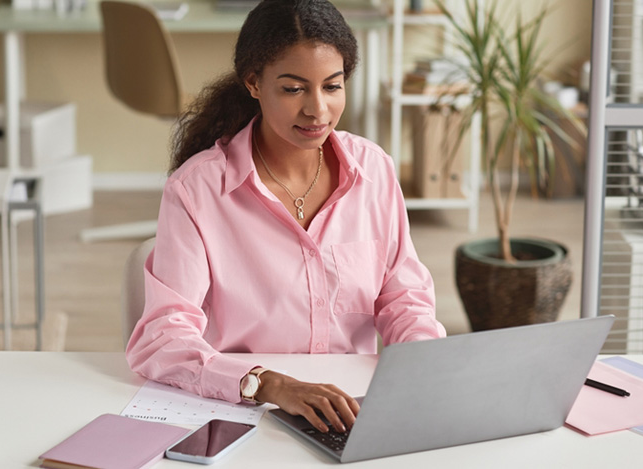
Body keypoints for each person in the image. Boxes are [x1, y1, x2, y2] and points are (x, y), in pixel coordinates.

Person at [126, 0, 446, 435]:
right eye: (294, 89)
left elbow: (402, 299)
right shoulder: (196, 190)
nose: (317, 111)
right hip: (244, 410)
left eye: (332, 87)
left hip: (353, 410)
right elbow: (161, 340)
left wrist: (426, 370)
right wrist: (269, 384)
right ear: (254, 83)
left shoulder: (374, 170)